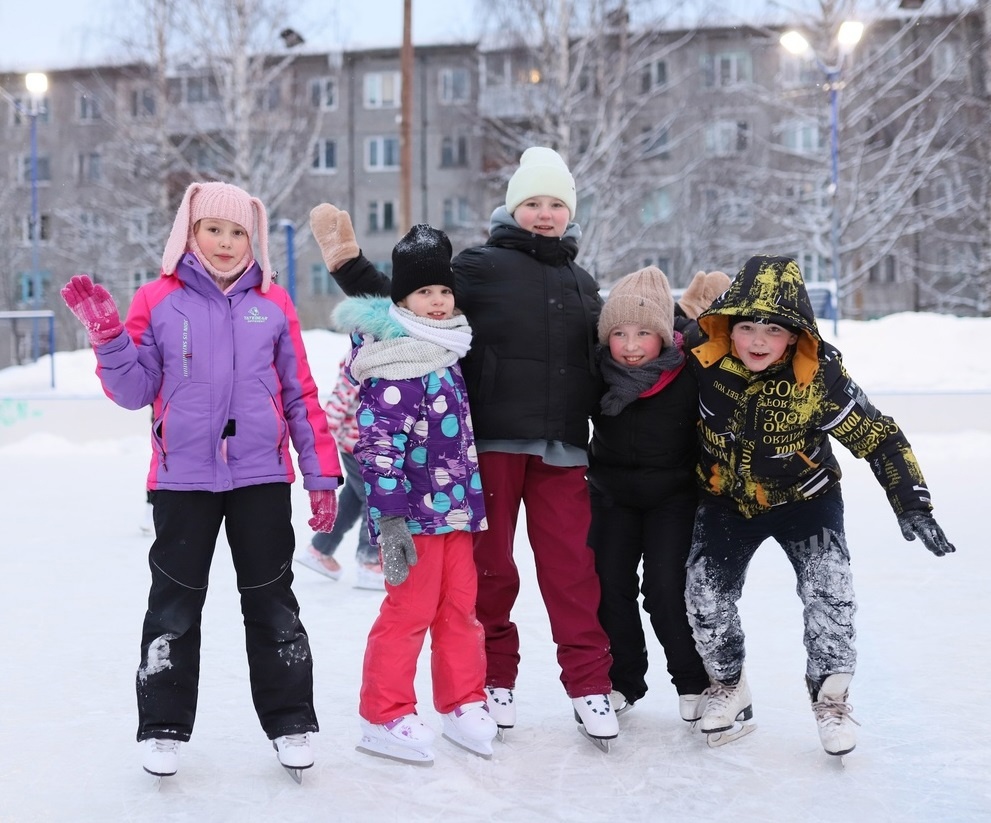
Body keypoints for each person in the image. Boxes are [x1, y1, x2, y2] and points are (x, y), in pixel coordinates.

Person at [309, 146, 620, 749]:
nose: (545, 213)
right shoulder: (478, 268)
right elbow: (407, 301)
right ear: (512, 208)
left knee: (566, 575)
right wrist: (347, 263)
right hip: (491, 447)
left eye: (557, 203)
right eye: (532, 202)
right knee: (487, 575)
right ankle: (487, 685)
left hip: (550, 453)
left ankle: (582, 685)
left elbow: (609, 353)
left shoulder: (583, 282)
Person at [60, 181, 343, 780]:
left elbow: (300, 394)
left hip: (261, 477)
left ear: (253, 239)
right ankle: (162, 727)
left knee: (273, 603)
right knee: (173, 607)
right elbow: (134, 391)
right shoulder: (159, 300)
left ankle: (291, 721)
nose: (225, 241)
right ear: (190, 232)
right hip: (182, 481)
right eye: (214, 229)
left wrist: (319, 475)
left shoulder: (274, 303)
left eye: (238, 231)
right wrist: (111, 340)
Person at [683, 254, 956, 756]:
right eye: (746, 326)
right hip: (726, 498)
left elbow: (879, 437)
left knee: (829, 593)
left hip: (806, 500)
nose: (758, 341)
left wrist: (912, 502)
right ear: (728, 326)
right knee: (704, 597)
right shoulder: (703, 360)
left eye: (773, 329)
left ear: (796, 335)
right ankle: (729, 687)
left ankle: (830, 701)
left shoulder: (819, 376)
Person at [334, 224, 496, 764]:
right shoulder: (398, 364)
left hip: (455, 515)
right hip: (415, 521)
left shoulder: (447, 353)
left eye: (444, 291)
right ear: (401, 300)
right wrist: (391, 521)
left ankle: (462, 701)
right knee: (408, 613)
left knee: (460, 612)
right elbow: (378, 450)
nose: (438, 301)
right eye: (425, 292)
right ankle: (384, 713)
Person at [587, 266, 728, 724]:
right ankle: (622, 681)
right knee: (609, 587)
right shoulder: (596, 372)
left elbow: (724, 348)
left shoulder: (689, 368)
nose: (630, 346)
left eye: (645, 333)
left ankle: (692, 681)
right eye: (620, 333)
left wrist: (699, 315)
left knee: (666, 591)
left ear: (664, 336)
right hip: (611, 494)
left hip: (674, 497)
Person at [295, 357, 385, 590]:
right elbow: (339, 400)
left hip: (367, 442)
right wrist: (324, 439)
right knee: (372, 498)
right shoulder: (360, 359)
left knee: (354, 498)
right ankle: (369, 560)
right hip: (358, 444)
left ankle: (320, 550)